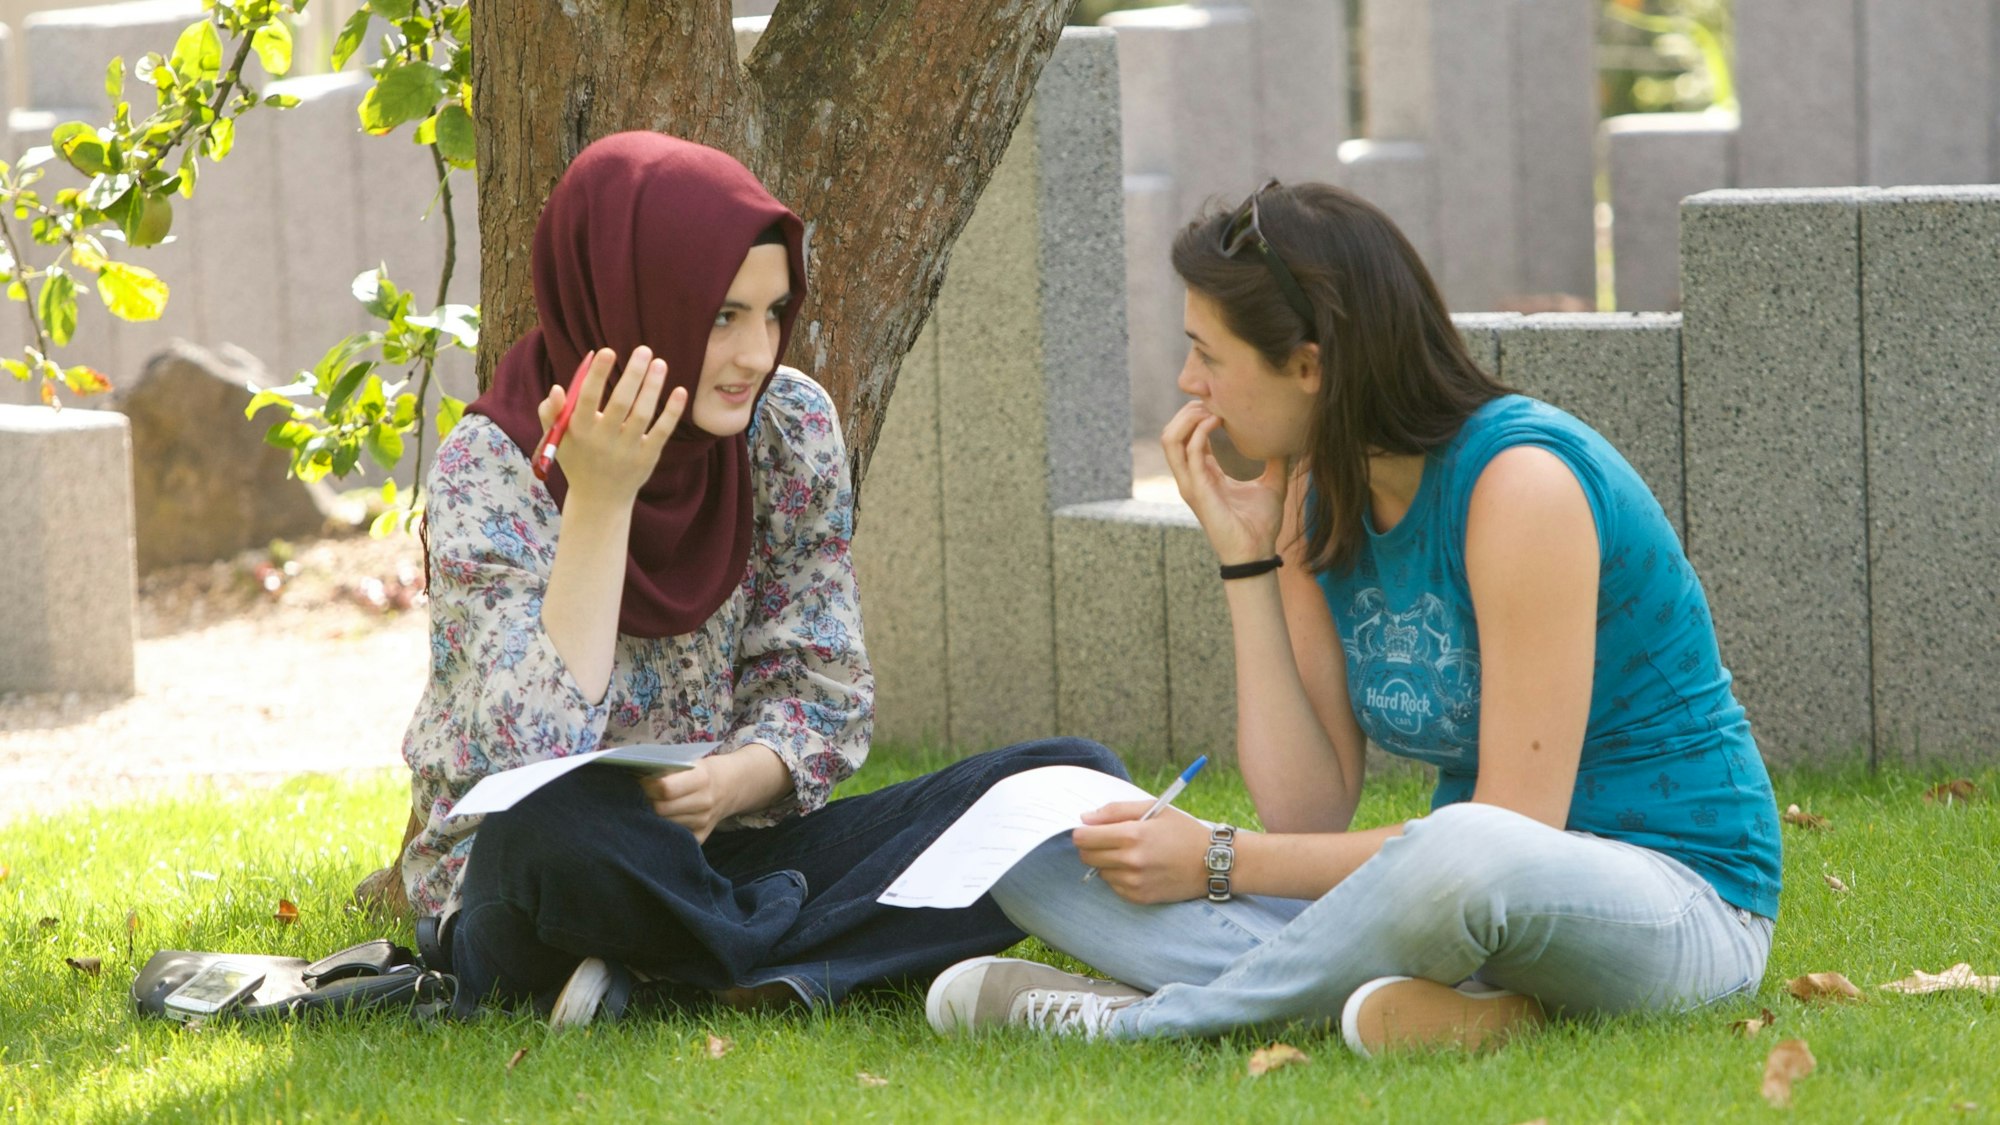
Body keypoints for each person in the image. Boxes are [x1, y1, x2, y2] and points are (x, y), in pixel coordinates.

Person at [925, 181, 1782, 1055]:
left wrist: (1218, 858)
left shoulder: (1521, 485)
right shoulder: (1318, 492)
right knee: (1041, 853)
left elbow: (1515, 831)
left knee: (1466, 848)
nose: (1189, 383)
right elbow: (1307, 807)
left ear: (1309, 366)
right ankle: (1453, 1005)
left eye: (1208, 354)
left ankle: (1147, 1020)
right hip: (1454, 908)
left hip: (1677, 902)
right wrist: (1247, 559)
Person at [396, 131, 1124, 1024]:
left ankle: (683, 967)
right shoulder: (491, 464)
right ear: (632, 298)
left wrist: (729, 784)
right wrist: (601, 500)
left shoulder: (787, 426)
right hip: (547, 867)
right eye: (721, 317)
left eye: (773, 313)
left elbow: (823, 689)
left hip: (730, 853)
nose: (757, 353)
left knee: (1070, 785)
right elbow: (526, 756)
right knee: (555, 826)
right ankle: (784, 957)